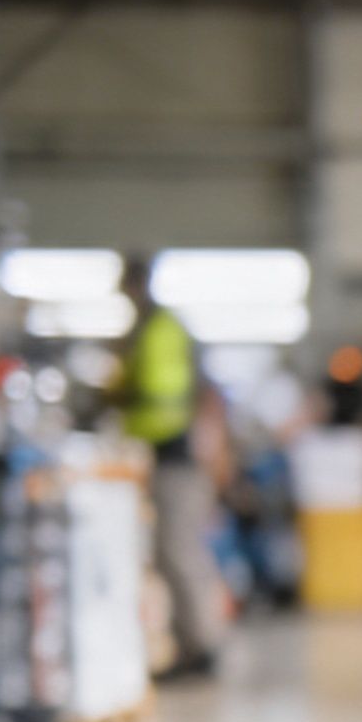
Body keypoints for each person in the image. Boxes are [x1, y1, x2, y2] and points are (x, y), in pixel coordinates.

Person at [119, 254, 234, 672]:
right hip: (159, 456)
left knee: (181, 552)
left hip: (179, 458)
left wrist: (215, 450)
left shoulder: (165, 328)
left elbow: (208, 395)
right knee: (173, 553)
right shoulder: (146, 330)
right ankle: (192, 644)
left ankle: (203, 647)